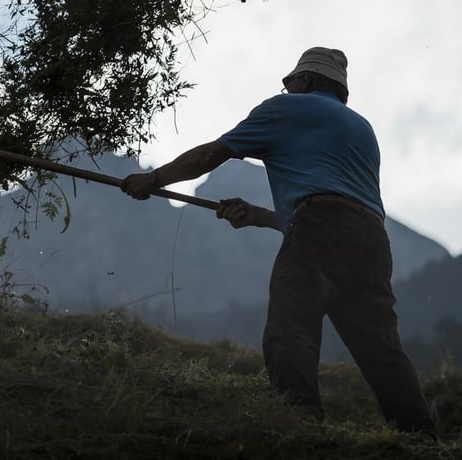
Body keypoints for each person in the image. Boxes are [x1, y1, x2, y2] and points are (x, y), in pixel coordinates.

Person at [120, 47, 436, 434]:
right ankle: (420, 435)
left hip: (318, 226)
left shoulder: (285, 110)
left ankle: (300, 425)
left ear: (304, 81)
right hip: (372, 239)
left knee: (291, 329)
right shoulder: (361, 129)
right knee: (380, 349)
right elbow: (340, 206)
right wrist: (260, 216)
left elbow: (211, 155)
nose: (285, 89)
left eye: (289, 83)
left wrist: (154, 180)